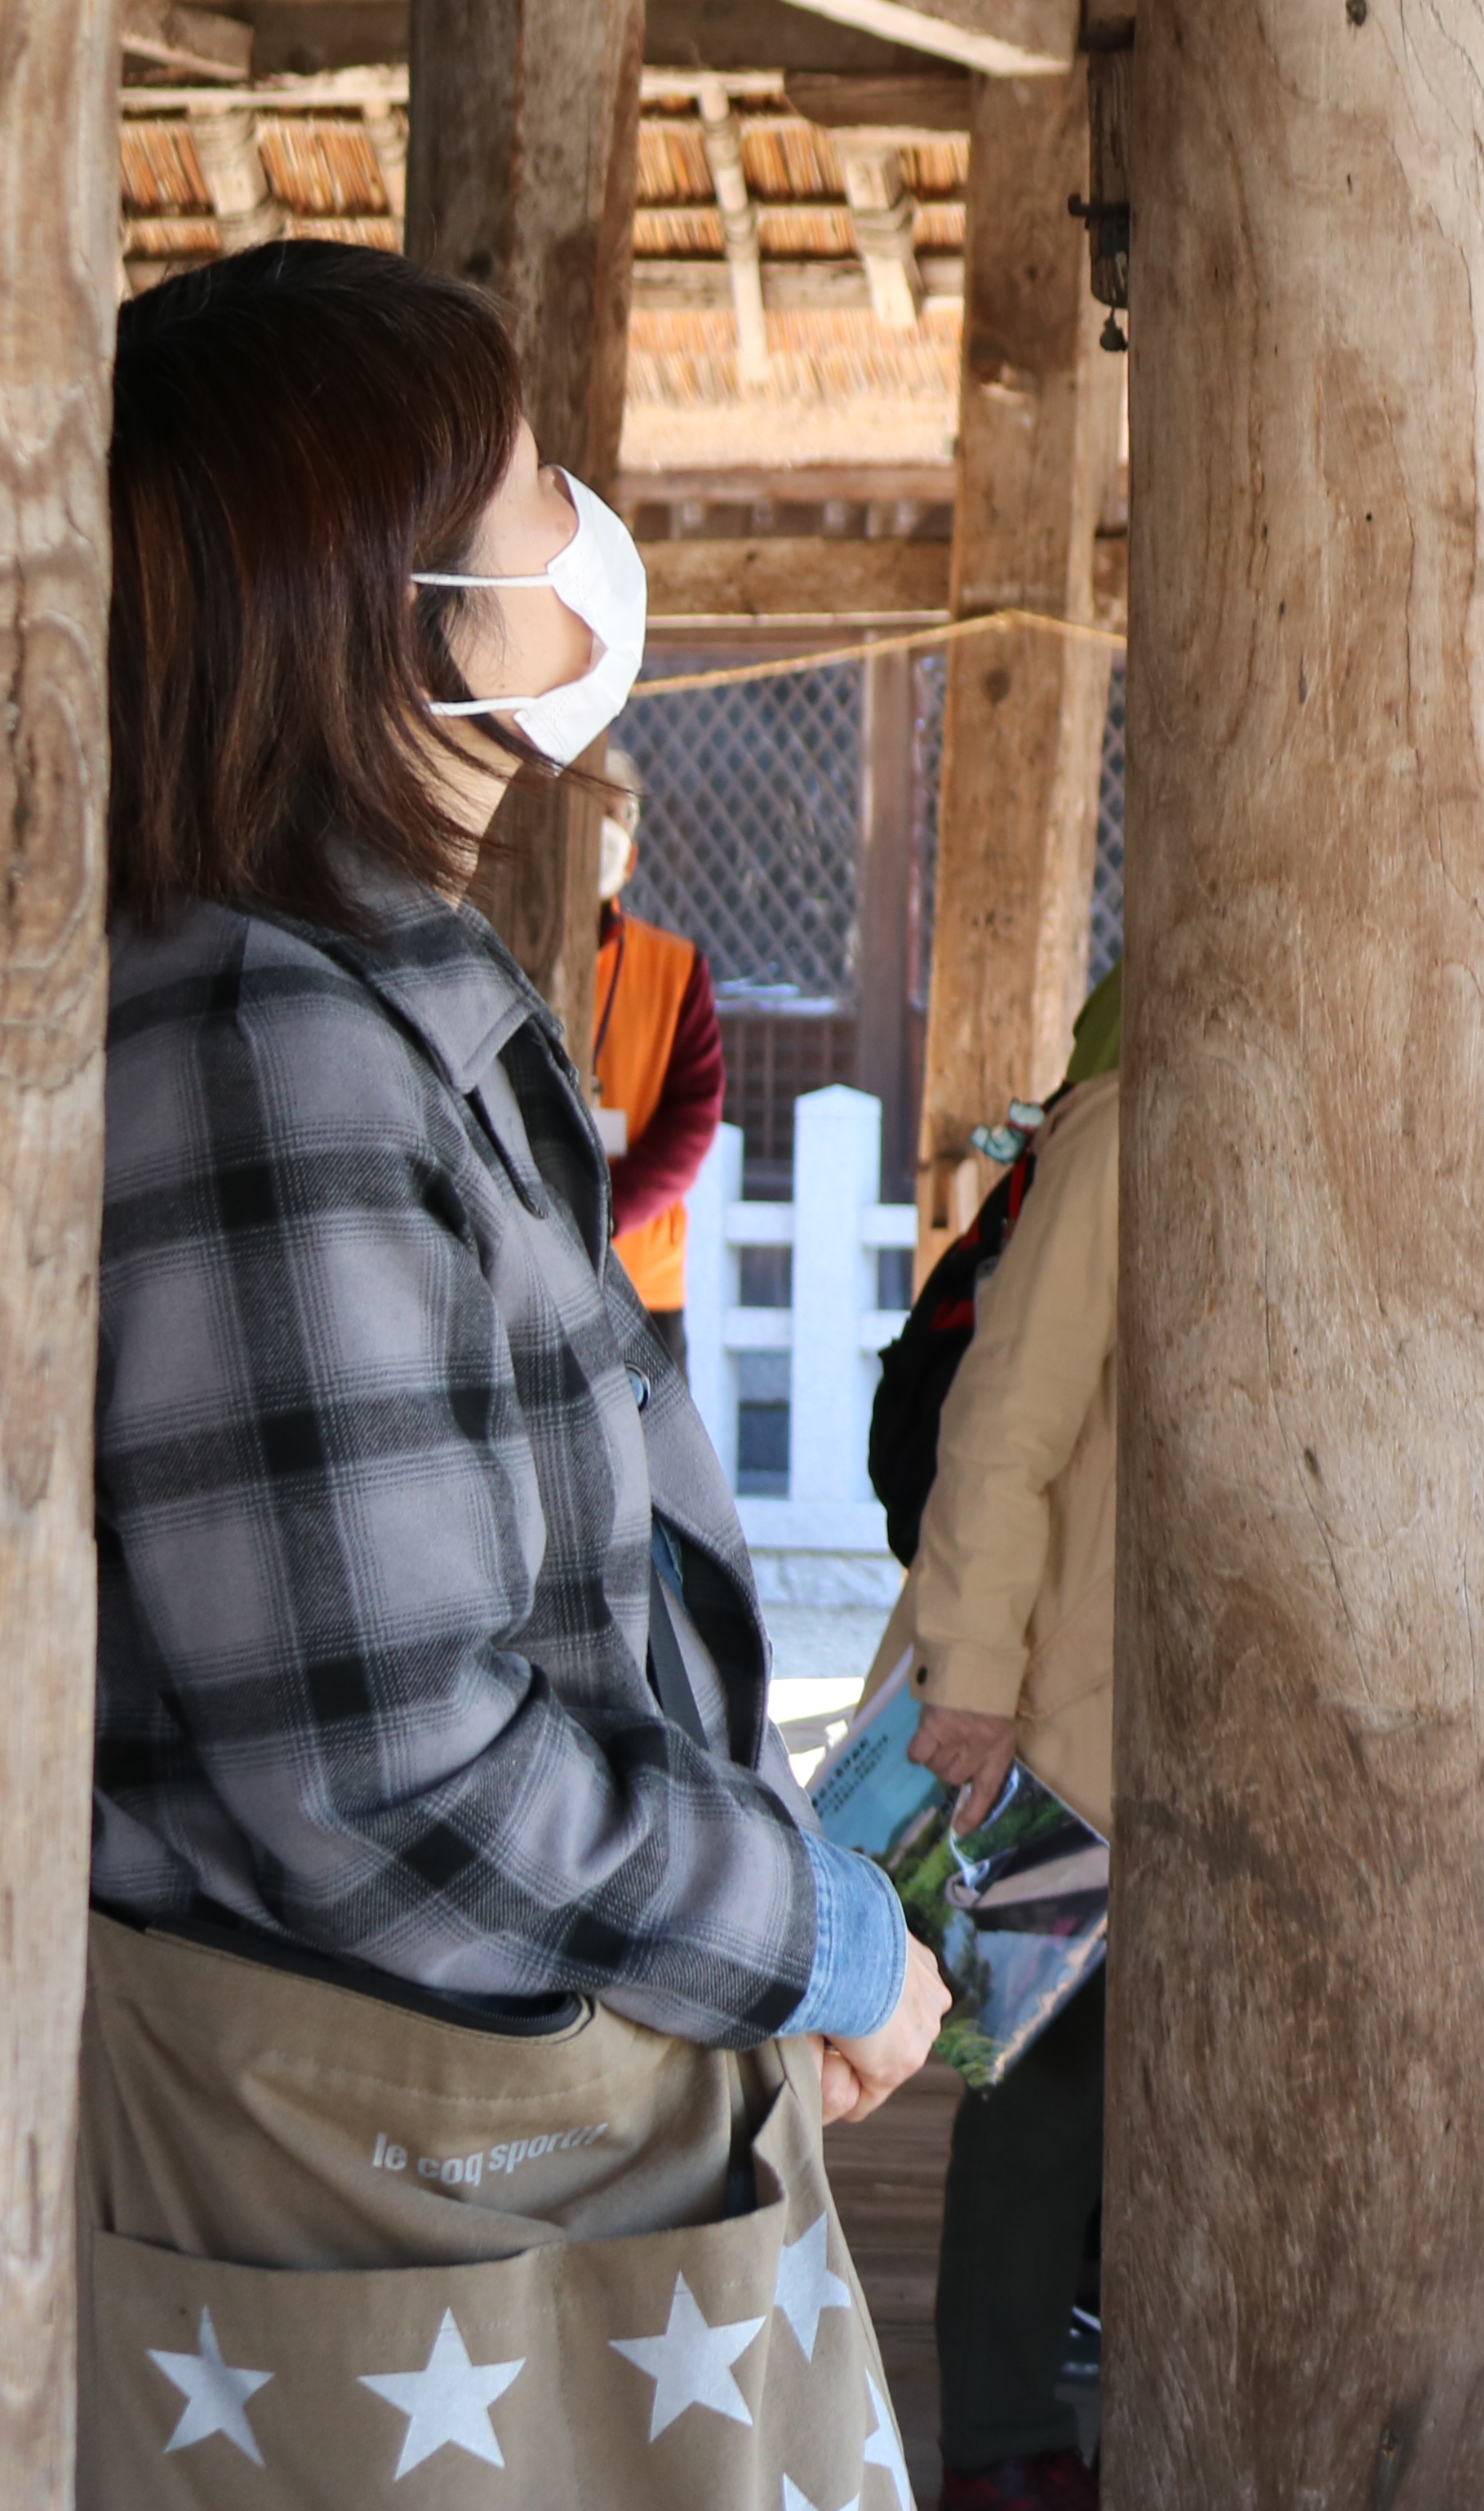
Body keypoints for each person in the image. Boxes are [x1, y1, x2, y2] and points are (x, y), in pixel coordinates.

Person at [89, 242, 945, 2506]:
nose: (581, 528)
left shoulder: (370, 991)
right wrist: (818, 1937)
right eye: (528, 483)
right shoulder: (265, 1038)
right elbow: (387, 1772)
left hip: (497, 2124)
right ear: (381, 603)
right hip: (407, 2159)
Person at [886, 985, 1127, 2511]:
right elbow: (1005, 1424)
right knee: (1038, 2076)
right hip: (1076, 1706)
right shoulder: (1129, 1126)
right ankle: (1002, 2439)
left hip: (1267, 1718)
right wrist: (970, 1679)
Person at [583, 739, 726, 1347]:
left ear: (632, 856)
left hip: (640, 1276)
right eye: (585, 810)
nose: (600, 833)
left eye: (615, 816)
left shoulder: (675, 968)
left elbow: (694, 1121)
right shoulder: (496, 949)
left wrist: (607, 1213)